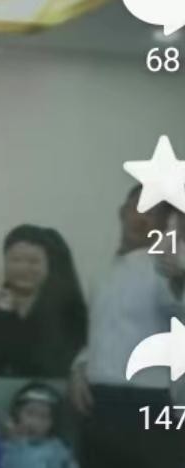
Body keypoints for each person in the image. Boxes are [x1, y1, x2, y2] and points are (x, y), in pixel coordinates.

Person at [69, 186, 185, 468]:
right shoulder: (101, 273)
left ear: (165, 222)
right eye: (137, 208)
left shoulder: (168, 268)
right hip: (99, 400)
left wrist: (180, 278)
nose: (142, 218)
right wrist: (79, 366)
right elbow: (100, 331)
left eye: (153, 213)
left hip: (151, 397)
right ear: (122, 212)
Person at [0, 225, 87, 377]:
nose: (23, 268)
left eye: (34, 262)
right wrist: (4, 317)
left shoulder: (68, 310)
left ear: (48, 265)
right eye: (16, 260)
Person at [0, 382, 77, 468]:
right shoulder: (7, 446)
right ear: (17, 413)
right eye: (30, 413)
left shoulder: (58, 449)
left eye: (44, 416)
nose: (35, 422)